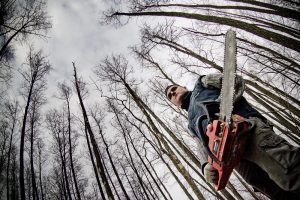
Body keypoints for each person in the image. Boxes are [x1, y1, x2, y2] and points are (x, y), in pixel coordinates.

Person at [165, 73, 300, 199]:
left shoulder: (202, 83)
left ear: (183, 87)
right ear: (174, 104)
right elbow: (201, 144)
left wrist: (223, 110)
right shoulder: (191, 124)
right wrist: (205, 164)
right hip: (231, 156)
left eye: (174, 89)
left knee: (288, 171)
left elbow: (234, 81)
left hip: (247, 129)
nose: (173, 93)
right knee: (271, 189)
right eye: (170, 96)